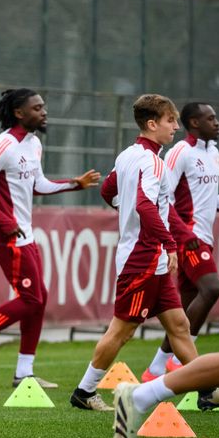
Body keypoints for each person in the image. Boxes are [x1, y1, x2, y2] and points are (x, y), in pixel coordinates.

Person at [0, 88, 100, 387]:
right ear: (19, 113)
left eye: (43, 107)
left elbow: (39, 185)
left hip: (23, 233)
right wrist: (3, 221)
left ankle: (24, 373)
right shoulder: (3, 144)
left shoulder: (34, 144)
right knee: (31, 298)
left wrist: (74, 184)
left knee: (38, 299)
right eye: (37, 108)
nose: (44, 112)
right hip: (2, 234)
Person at [69, 94, 198, 412]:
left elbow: (107, 190)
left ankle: (205, 389)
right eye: (171, 121)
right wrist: (169, 244)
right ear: (152, 124)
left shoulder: (128, 155)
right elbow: (144, 205)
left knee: (179, 325)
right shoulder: (152, 161)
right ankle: (84, 392)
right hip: (143, 258)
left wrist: (124, 210)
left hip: (147, 258)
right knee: (121, 330)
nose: (175, 127)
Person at [139, 101, 219, 408]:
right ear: (194, 123)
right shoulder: (180, 152)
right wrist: (184, 235)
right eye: (210, 118)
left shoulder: (213, 152)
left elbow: (210, 196)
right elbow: (164, 195)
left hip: (204, 237)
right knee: (212, 288)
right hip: (189, 238)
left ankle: (155, 370)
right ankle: (184, 365)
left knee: (185, 308)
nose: (217, 123)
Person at [113, 235, 219, 438]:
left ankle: (148, 388)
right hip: (152, 255)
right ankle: (139, 396)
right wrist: (181, 237)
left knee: (182, 325)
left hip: (168, 253)